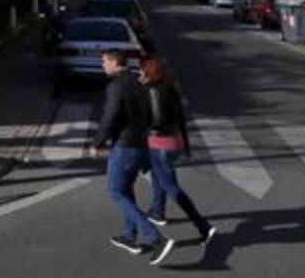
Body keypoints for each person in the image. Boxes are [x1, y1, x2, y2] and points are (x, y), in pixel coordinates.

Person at [87, 50, 175, 265]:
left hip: (125, 147)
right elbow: (153, 112)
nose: (102, 66)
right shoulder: (140, 80)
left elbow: (110, 116)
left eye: (104, 62)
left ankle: (156, 238)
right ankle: (128, 236)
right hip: (143, 144)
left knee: (115, 191)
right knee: (125, 189)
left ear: (115, 63)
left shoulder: (116, 86)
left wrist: (97, 142)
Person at [139, 57, 216, 245]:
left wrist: (142, 127)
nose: (139, 74)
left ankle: (203, 226)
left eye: (141, 71)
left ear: (149, 72)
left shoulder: (152, 90)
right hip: (174, 142)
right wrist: (186, 145)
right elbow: (181, 118)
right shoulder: (170, 87)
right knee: (159, 177)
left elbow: (156, 120)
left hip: (159, 144)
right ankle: (157, 212)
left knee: (172, 187)